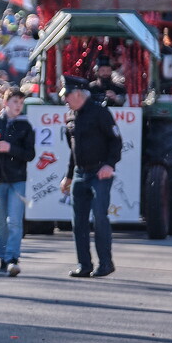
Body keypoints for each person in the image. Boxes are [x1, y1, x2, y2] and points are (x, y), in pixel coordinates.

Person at [58, 76, 123, 279]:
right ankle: (84, 264)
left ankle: (106, 263)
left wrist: (109, 165)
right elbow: (73, 150)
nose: (65, 100)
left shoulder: (100, 113)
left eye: (67, 95)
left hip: (99, 173)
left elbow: (116, 142)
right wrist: (68, 176)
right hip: (80, 172)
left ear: (78, 94)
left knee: (100, 217)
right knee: (78, 221)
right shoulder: (71, 116)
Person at [0, 88, 35, 277]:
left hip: (17, 179)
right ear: (6, 103)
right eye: (15, 102)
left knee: (14, 221)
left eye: (21, 103)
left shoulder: (25, 126)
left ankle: (12, 258)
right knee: (0, 222)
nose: (18, 106)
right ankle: (2, 259)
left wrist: (10, 148)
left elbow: (30, 154)